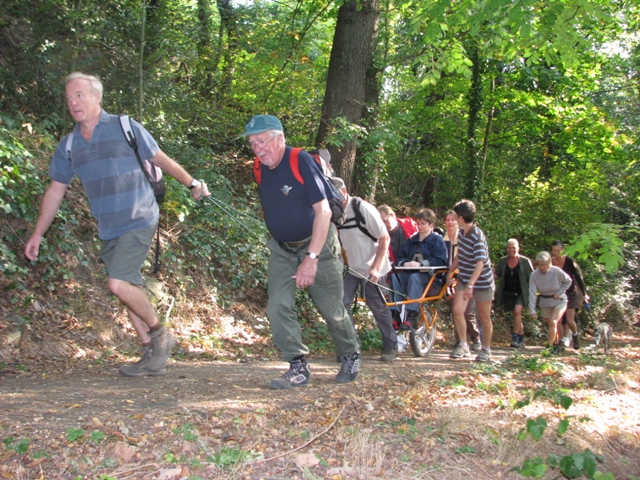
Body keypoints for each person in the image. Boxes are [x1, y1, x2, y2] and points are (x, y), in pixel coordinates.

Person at [24, 72, 210, 377]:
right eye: (69, 98)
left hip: (139, 215)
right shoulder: (69, 145)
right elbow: (55, 189)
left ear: (97, 97)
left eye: (80, 95)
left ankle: (160, 334)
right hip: (108, 226)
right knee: (127, 286)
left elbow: (160, 159)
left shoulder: (125, 127)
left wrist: (192, 183)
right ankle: (150, 352)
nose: (73, 102)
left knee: (118, 282)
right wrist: (37, 233)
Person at [241, 114, 361, 389]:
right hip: (282, 250)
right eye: (252, 143)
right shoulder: (259, 167)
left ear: (280, 138)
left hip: (318, 245)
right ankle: (297, 365)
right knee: (277, 305)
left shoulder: (300, 160)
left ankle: (350, 353)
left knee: (331, 309)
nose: (258, 148)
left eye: (262, 141)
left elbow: (324, 211)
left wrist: (311, 258)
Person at [332, 178, 397, 362]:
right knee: (342, 304)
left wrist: (375, 269)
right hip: (351, 268)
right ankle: (352, 347)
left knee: (377, 306)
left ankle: (391, 346)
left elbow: (384, 238)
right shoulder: (334, 212)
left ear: (344, 192)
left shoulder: (363, 209)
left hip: (373, 266)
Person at [446, 200, 495, 363]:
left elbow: (480, 262)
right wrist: (451, 270)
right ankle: (463, 344)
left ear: (461, 217)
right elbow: (460, 255)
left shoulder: (477, 235)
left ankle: (486, 349)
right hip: (465, 277)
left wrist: (471, 286)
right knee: (458, 310)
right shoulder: (461, 233)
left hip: (482, 282)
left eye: (456, 216)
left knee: (484, 316)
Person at [392, 208, 448, 331]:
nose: (420, 226)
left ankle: (413, 314)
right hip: (409, 275)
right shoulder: (412, 240)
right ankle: (394, 313)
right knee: (395, 277)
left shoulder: (437, 240)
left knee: (415, 277)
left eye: (423, 223)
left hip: (429, 277)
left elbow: (441, 260)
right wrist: (405, 263)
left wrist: (421, 264)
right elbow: (400, 256)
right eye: (418, 223)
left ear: (431, 224)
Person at [443, 209, 481, 352]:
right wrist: (449, 273)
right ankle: (460, 341)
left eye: (453, 219)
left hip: (466, 276)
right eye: (447, 220)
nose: (450, 222)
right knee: (456, 309)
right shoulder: (443, 238)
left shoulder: (465, 236)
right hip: (452, 276)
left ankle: (475, 337)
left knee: (468, 311)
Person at [528, 251, 572, 354]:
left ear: (548, 264)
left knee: (553, 322)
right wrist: (532, 309)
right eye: (539, 265)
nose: (542, 267)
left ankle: (548, 346)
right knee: (551, 325)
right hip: (545, 301)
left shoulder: (556, 271)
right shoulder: (534, 275)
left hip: (559, 300)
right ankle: (556, 345)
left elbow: (568, 281)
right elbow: (532, 292)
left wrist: (559, 292)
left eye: (544, 265)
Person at [494, 239, 534, 349]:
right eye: (509, 248)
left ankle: (515, 338)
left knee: (517, 312)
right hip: (508, 291)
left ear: (518, 248)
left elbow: (533, 277)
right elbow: (497, 274)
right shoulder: (503, 261)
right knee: (516, 315)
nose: (511, 250)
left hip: (521, 292)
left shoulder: (525, 261)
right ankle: (521, 338)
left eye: (514, 247)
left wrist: (534, 293)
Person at [551, 240, 588, 349]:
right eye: (554, 251)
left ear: (562, 250)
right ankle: (561, 342)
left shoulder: (570, 261)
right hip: (558, 294)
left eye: (558, 250)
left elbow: (578, 277)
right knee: (559, 320)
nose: (556, 253)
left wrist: (584, 293)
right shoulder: (551, 262)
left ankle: (575, 335)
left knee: (570, 320)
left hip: (571, 293)